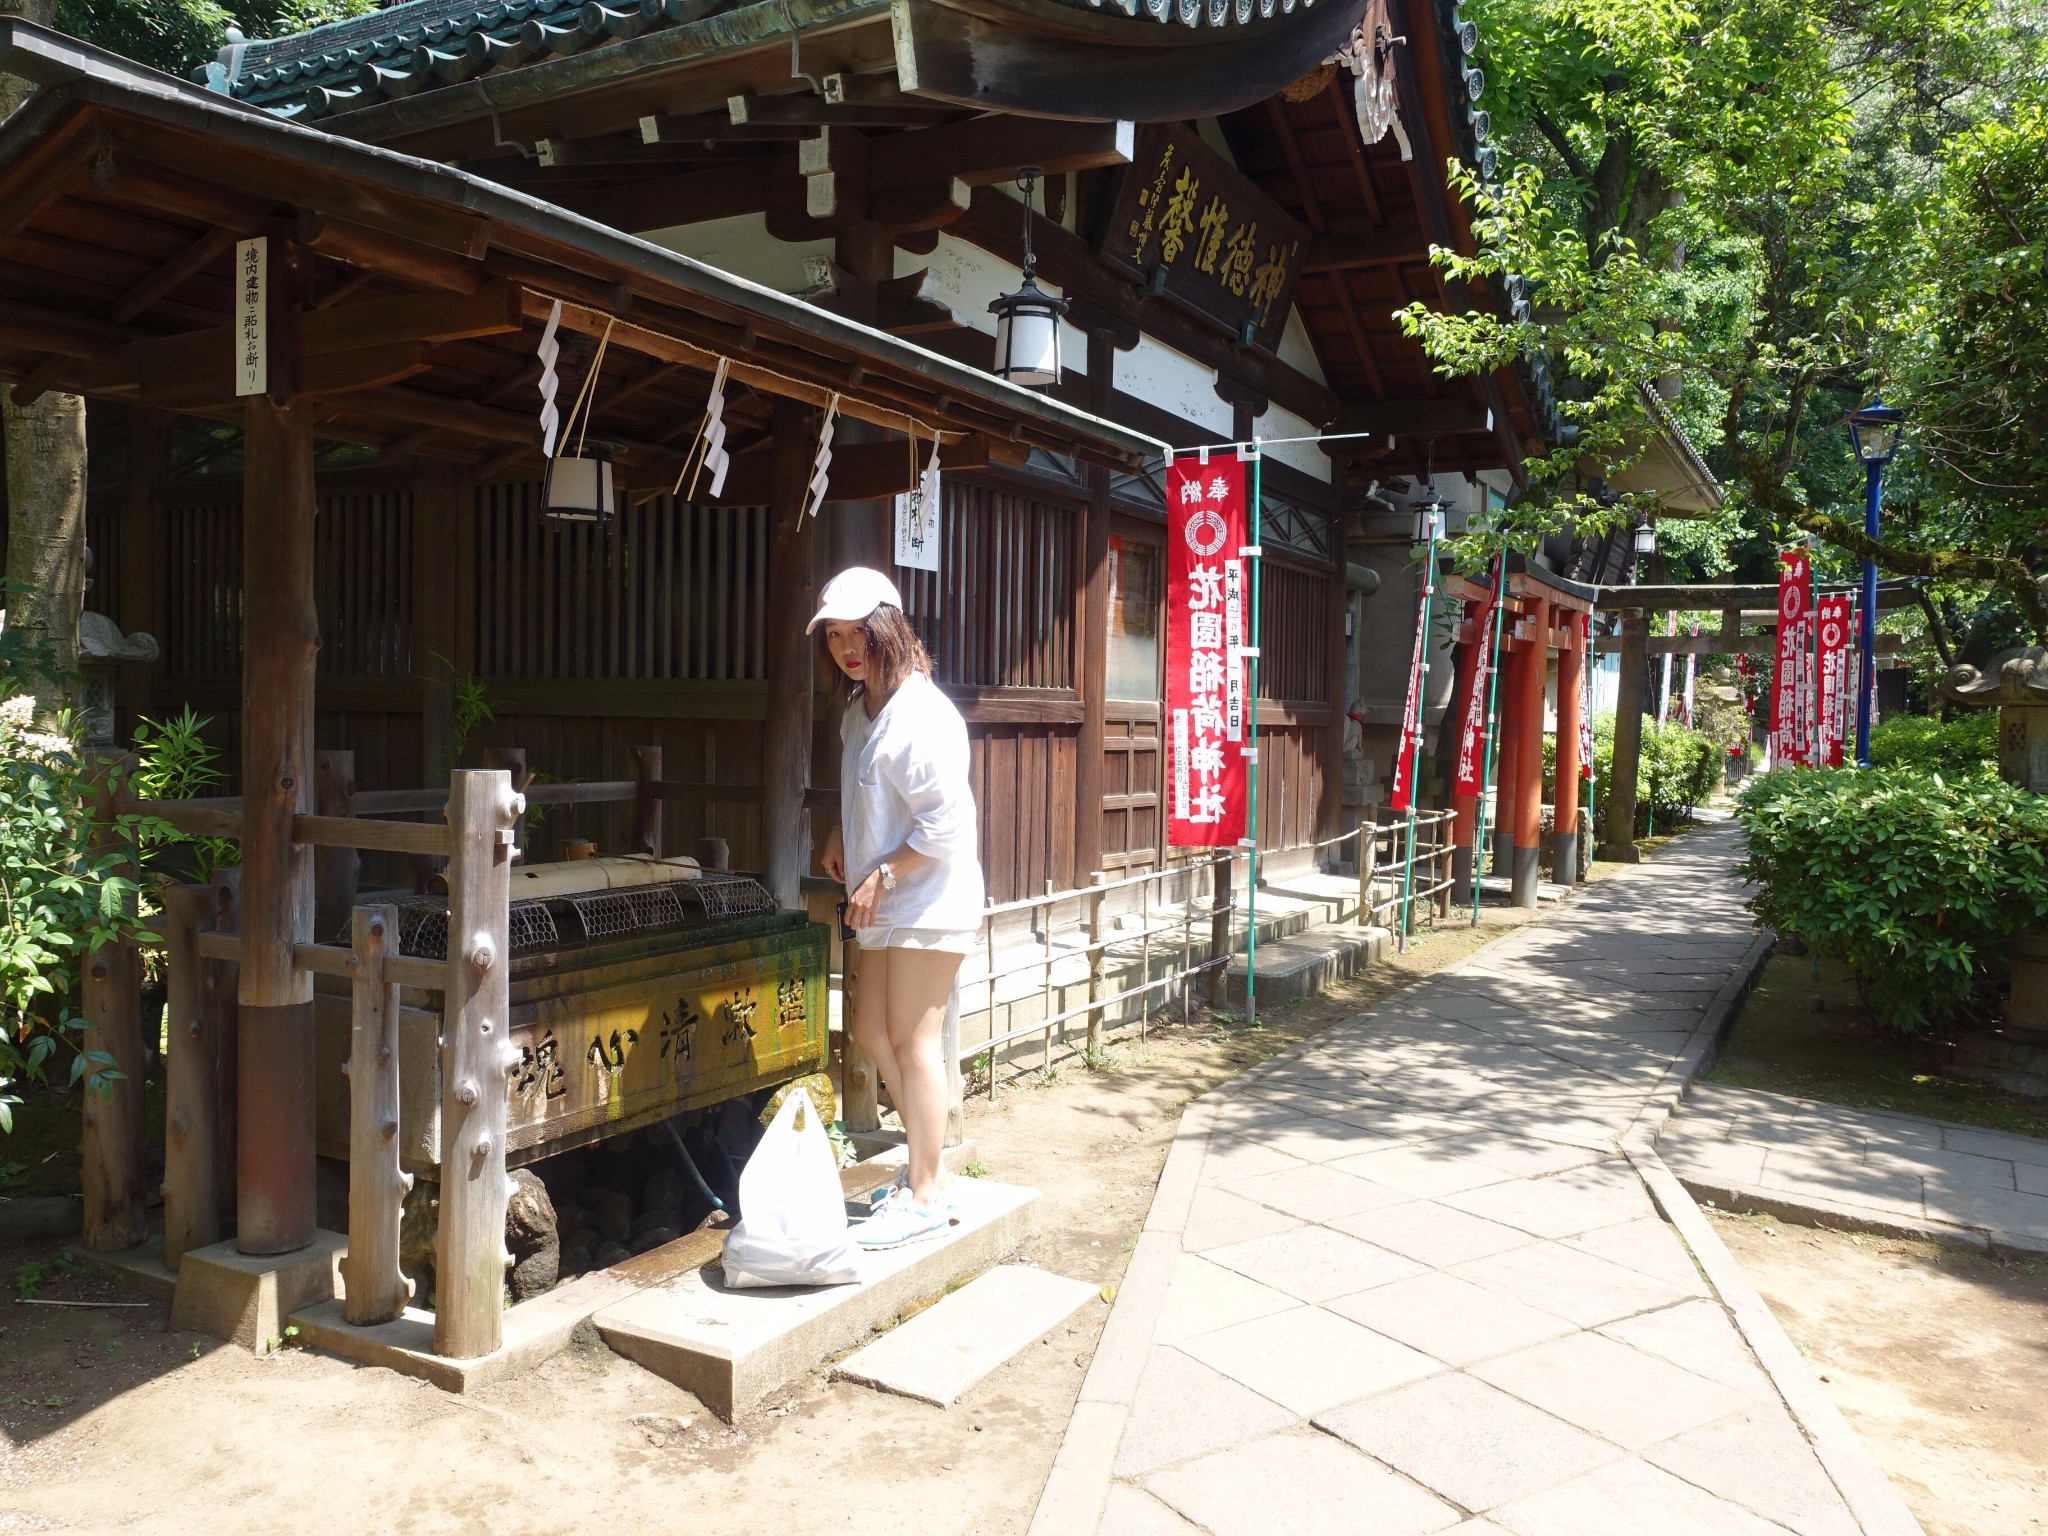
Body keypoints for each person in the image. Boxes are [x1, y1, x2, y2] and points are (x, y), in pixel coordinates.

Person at [809, 567, 984, 1249]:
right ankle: (921, 1173)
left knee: (913, 1040)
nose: (849, 647)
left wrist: (881, 872)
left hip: (928, 900)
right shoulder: (862, 709)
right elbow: (863, 794)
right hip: (883, 898)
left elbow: (946, 829)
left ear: (891, 628)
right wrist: (839, 833)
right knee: (871, 1033)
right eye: (836, 636)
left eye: (860, 632)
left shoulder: (924, 715)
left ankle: (926, 1192)